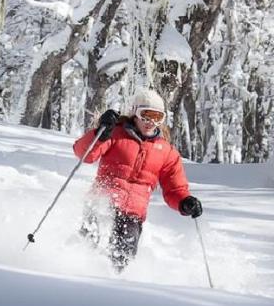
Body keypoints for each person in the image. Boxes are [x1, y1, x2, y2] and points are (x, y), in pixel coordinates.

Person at [73, 87, 203, 272]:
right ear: (135, 113)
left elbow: (175, 188)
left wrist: (184, 201)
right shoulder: (115, 134)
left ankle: (113, 286)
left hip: (132, 215)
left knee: (120, 263)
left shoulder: (167, 152)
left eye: (157, 117)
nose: (151, 122)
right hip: (102, 203)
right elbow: (85, 154)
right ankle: (73, 274)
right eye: (146, 115)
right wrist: (100, 133)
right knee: (88, 249)